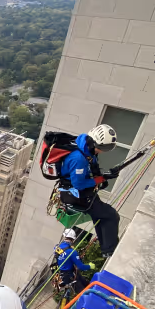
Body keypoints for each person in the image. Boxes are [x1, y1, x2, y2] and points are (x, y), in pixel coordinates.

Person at [58, 124, 120, 258]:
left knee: (100, 215)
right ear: (94, 143)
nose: (102, 151)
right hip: (75, 194)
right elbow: (78, 184)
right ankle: (110, 251)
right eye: (102, 148)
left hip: (81, 193)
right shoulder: (78, 158)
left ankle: (106, 249)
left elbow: (92, 170)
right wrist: (100, 179)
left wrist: (105, 175)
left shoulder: (87, 150)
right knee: (111, 215)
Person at [54, 228, 96, 293]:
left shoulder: (57, 247)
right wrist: (90, 266)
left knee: (86, 283)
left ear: (64, 236)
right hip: (70, 276)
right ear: (73, 239)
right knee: (83, 293)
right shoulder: (72, 252)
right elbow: (80, 266)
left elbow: (64, 257)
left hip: (62, 274)